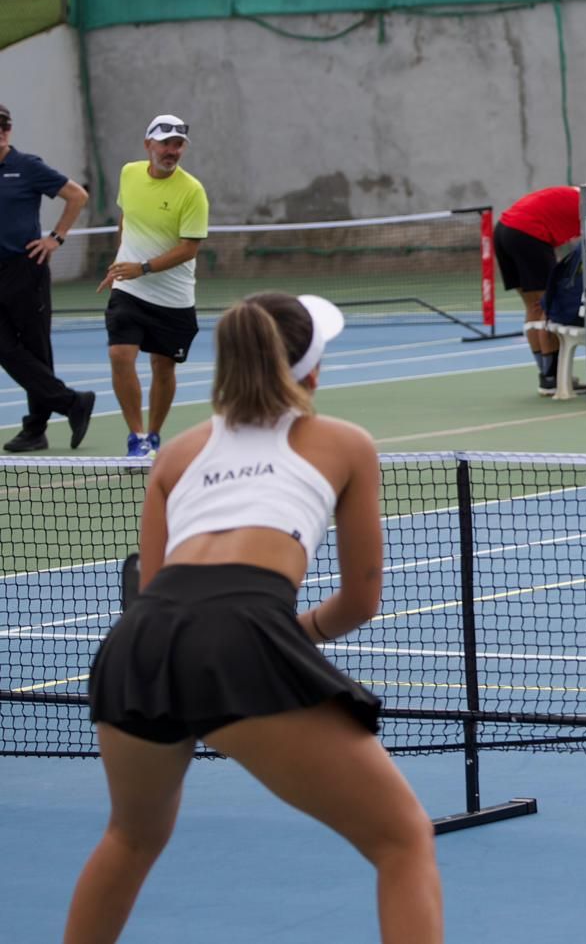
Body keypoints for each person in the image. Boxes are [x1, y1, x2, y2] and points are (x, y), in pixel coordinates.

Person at [64, 292, 442, 943]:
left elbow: (153, 589)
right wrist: (289, 640)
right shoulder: (346, 443)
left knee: (130, 837)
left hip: (137, 645)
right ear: (314, 372)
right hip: (238, 632)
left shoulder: (176, 453)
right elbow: (360, 601)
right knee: (403, 839)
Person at [97, 115, 208, 458]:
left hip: (173, 298)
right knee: (120, 354)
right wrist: (120, 264)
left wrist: (141, 267)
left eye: (178, 145)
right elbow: (126, 217)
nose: (171, 151)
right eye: (165, 143)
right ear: (148, 145)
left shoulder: (192, 191)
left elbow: (189, 248)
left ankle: (155, 435)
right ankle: (137, 436)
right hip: (129, 291)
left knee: (163, 366)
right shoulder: (129, 173)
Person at [0, 101, 95, 452]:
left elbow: (77, 195)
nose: (0, 132)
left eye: (3, 126)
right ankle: (72, 403)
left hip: (26, 268)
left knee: (35, 349)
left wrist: (54, 238)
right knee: (6, 348)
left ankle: (35, 429)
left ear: (8, 131)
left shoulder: (27, 166)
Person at [495, 161, 586, 395]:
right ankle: (554, 378)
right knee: (548, 306)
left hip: (504, 230)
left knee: (534, 306)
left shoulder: (578, 193)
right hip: (528, 234)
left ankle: (548, 376)